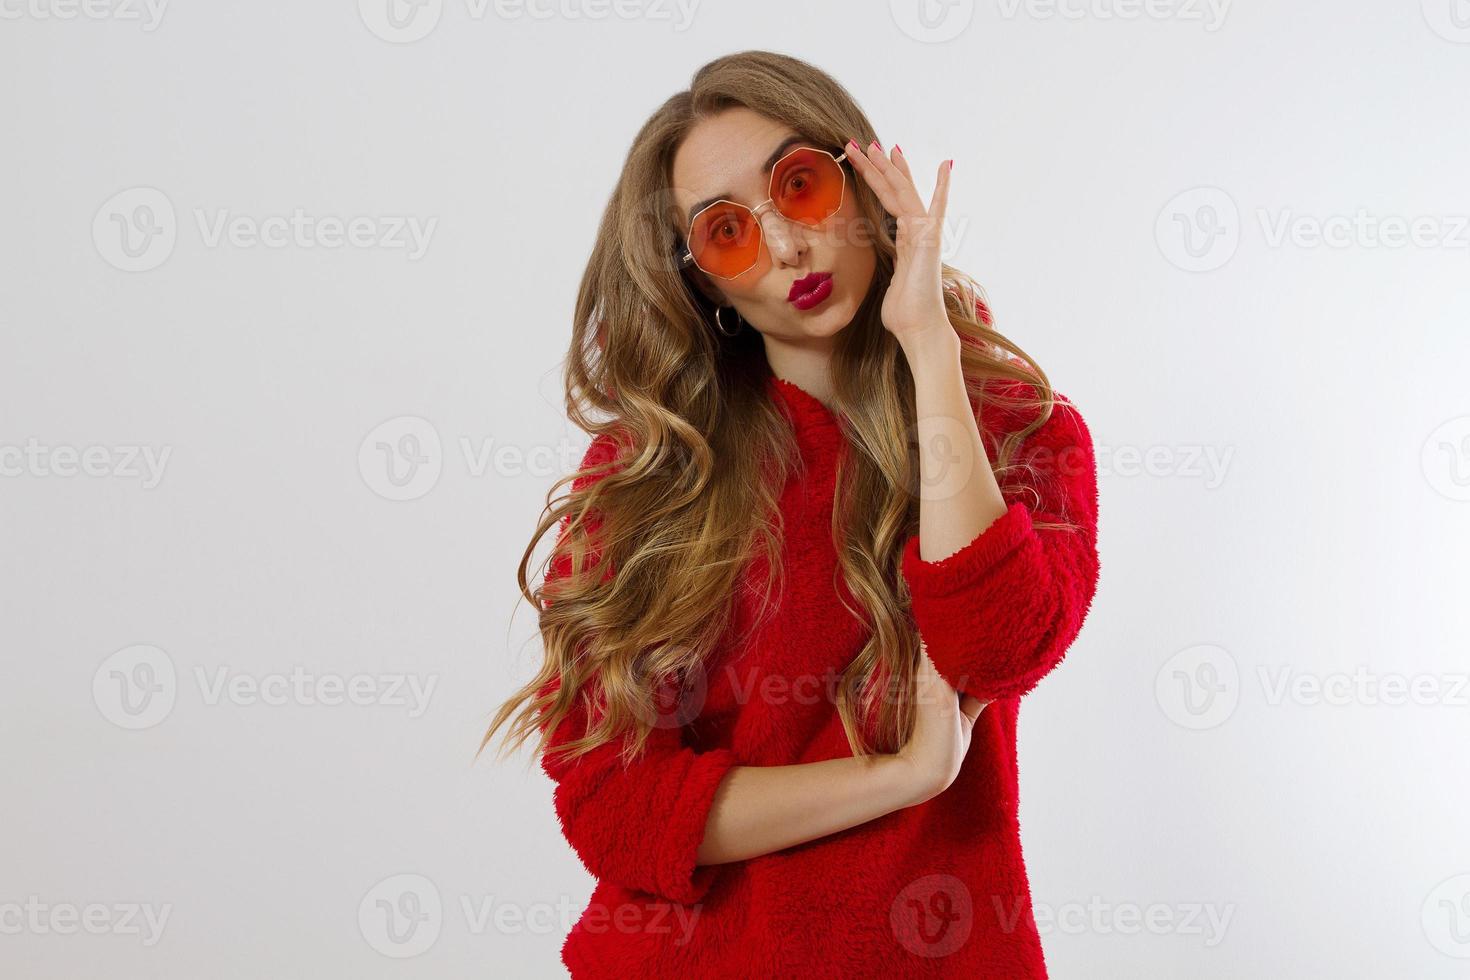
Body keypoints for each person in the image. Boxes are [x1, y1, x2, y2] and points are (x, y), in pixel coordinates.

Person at [480, 49, 1101, 979]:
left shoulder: (1016, 432)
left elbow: (997, 646)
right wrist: (896, 778)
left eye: (800, 187)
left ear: (860, 184)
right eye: (730, 233)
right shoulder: (651, 476)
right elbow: (616, 808)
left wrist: (929, 341)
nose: (788, 249)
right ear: (705, 283)